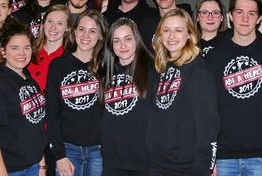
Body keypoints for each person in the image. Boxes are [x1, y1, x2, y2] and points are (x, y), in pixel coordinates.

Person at [204, 0, 262, 176]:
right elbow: (206, 111)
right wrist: (209, 157)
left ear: (259, 18)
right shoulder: (213, 57)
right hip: (222, 157)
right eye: (239, 12)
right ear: (230, 16)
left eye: (251, 13)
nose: (245, 18)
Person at [146, 9, 219, 176]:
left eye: (178, 30)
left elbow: (208, 125)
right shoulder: (160, 68)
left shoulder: (198, 70)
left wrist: (204, 168)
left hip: (185, 167)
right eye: (166, 30)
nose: (171, 36)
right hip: (156, 164)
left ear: (189, 35)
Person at [0, 21, 49, 176]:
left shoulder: (30, 81)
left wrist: (41, 165)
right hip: (5, 170)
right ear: (3, 52)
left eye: (26, 47)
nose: (22, 53)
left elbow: (36, 126)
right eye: (15, 48)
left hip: (32, 166)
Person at [47, 10, 108, 176]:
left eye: (92, 31)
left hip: (99, 150)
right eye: (81, 29)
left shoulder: (106, 67)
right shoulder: (58, 66)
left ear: (100, 36)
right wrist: (60, 155)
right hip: (68, 150)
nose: (85, 35)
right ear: (74, 32)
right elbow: (52, 113)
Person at [100, 18, 153, 176]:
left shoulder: (153, 70)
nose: (122, 45)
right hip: (112, 160)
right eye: (116, 41)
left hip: (144, 160)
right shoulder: (106, 72)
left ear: (136, 40)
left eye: (128, 39)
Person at [28, 4, 71, 91]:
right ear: (43, 24)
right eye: (50, 21)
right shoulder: (29, 50)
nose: (53, 27)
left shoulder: (70, 58)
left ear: (67, 28)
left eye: (59, 23)